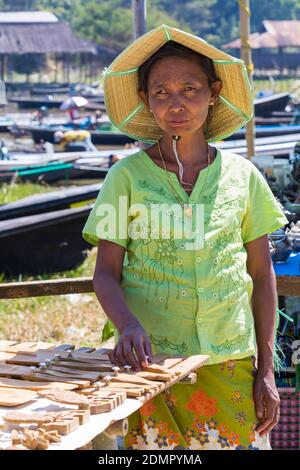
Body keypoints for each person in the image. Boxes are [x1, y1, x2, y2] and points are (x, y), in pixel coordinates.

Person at [82, 25, 288, 450]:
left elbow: (261, 274)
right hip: (150, 367)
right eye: (161, 93)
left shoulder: (242, 177)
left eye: (190, 89)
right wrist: (127, 326)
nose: (176, 104)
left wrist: (266, 370)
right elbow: (105, 273)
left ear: (213, 93)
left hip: (228, 362)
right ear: (145, 101)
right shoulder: (126, 178)